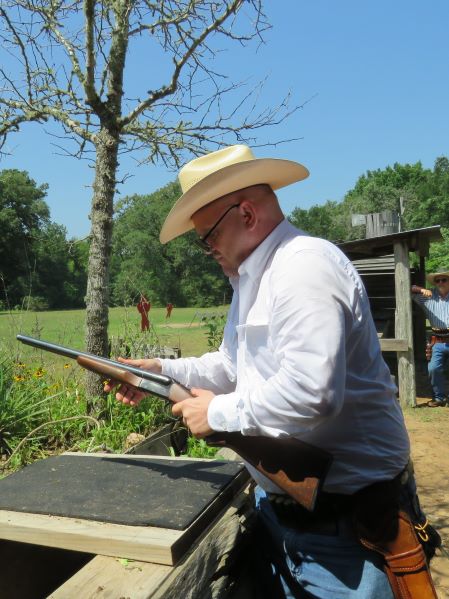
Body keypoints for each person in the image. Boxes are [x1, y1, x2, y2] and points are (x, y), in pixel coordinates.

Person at [107, 145, 436, 598]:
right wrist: (159, 371)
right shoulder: (251, 279)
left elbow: (312, 392)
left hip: (350, 531)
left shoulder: (304, 267)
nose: (206, 249)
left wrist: (216, 414)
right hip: (288, 517)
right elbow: (230, 365)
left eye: (207, 236)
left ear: (245, 213)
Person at [412, 268, 449, 407]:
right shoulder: (427, 296)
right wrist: (420, 289)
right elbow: (404, 289)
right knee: (433, 369)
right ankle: (439, 398)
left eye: (444, 280)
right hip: (437, 341)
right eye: (437, 280)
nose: (440, 282)